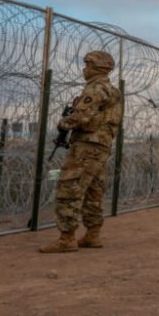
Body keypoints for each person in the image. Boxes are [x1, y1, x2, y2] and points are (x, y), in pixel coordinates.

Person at [40, 51, 124, 253]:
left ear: (96, 68)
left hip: (86, 145)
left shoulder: (95, 89)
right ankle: (92, 235)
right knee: (93, 190)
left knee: (70, 188)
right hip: (101, 146)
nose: (84, 69)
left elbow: (81, 117)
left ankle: (67, 238)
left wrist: (64, 123)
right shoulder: (113, 91)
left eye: (87, 65)